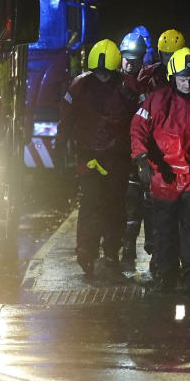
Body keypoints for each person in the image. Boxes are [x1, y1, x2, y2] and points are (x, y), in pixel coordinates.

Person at [131, 47, 190, 293]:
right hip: (164, 175)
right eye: (183, 79)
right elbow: (138, 127)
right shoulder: (157, 100)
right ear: (172, 77)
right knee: (163, 226)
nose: (187, 83)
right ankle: (166, 275)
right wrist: (141, 157)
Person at [57, 39, 136, 276]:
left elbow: (140, 121)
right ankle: (90, 253)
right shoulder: (121, 85)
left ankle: (104, 251)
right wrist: (60, 146)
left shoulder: (82, 86)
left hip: (111, 159)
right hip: (100, 159)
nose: (102, 77)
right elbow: (66, 120)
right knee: (97, 206)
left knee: (109, 206)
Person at [117, 31, 150, 267]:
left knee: (143, 202)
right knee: (127, 203)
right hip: (119, 151)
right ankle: (125, 247)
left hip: (142, 152)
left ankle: (145, 246)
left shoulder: (147, 83)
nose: (130, 62)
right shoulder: (113, 81)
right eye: (126, 57)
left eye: (135, 58)